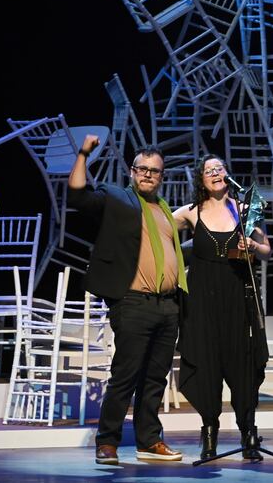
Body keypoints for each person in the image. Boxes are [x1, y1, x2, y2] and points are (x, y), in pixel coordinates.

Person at [67, 135, 188, 465]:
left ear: (162, 176)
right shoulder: (118, 199)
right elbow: (77, 196)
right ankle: (107, 442)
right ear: (133, 172)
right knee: (125, 376)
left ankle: (149, 441)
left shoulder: (165, 212)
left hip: (167, 305)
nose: (148, 175)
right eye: (142, 169)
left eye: (155, 171)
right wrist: (83, 153)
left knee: (155, 379)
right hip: (133, 302)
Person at [172, 154, 271, 461]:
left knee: (242, 366)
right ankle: (210, 433)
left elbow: (267, 250)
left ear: (227, 175)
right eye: (208, 170)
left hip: (237, 299)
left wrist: (252, 247)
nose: (215, 173)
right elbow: (158, 227)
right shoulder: (191, 212)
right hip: (201, 302)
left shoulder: (244, 210)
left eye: (219, 168)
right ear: (201, 180)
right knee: (206, 366)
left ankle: (248, 433)